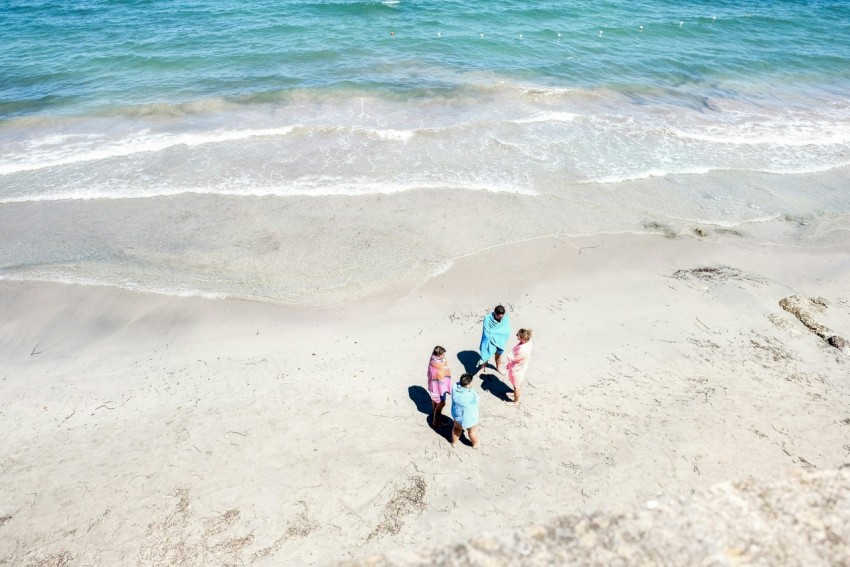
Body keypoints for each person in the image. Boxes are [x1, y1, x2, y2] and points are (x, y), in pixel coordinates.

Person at [502, 328, 533, 405]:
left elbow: (515, 358)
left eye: (518, 336)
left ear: (523, 338)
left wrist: (509, 356)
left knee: (516, 385)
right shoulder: (527, 343)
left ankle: (516, 401)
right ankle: (515, 393)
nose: (517, 337)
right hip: (522, 366)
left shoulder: (523, 350)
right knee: (519, 381)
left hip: (518, 368)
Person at [477, 304, 510, 375]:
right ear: (494, 313)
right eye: (499, 317)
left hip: (500, 341)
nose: (500, 318)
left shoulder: (506, 317)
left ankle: (498, 367)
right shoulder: (487, 318)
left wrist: (497, 335)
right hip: (489, 340)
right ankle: (482, 367)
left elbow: (506, 330)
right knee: (485, 353)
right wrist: (494, 334)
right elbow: (486, 333)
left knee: (498, 355)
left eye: (502, 316)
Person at [451, 373, 480, 448]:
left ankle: (454, 442)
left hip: (457, 415)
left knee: (456, 428)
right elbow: (476, 402)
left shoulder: (455, 388)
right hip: (468, 417)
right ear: (468, 385)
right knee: (471, 431)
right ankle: (475, 444)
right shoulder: (471, 396)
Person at [427, 346, 452, 426]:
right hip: (439, 386)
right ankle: (436, 421)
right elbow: (438, 372)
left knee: (435, 400)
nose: (444, 356)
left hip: (434, 384)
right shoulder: (437, 362)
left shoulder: (433, 358)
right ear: (437, 354)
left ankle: (435, 414)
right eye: (442, 355)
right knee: (442, 403)